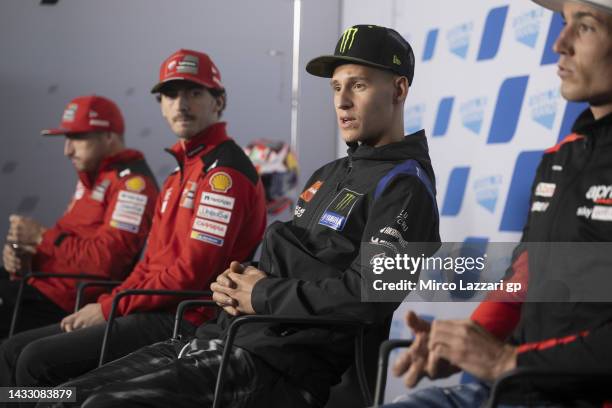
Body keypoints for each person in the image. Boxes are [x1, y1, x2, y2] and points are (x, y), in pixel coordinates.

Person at [44, 25, 441, 408]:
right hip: (222, 336)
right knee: (57, 396)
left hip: (278, 368)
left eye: (358, 84)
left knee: (99, 403)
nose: (342, 102)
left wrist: (261, 293)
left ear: (399, 89)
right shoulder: (329, 174)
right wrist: (235, 283)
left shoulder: (407, 186)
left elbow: (368, 296)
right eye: (336, 87)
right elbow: (283, 263)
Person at [385, 0, 612, 406]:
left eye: (587, 26)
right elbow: (524, 276)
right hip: (514, 388)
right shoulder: (562, 156)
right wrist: (470, 347)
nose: (559, 43)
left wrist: (507, 361)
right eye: (564, 23)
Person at [0, 49, 267, 390]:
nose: (181, 104)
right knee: (13, 352)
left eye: (194, 92)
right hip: (149, 309)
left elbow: (191, 274)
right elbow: (150, 263)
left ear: (219, 101)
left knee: (33, 361)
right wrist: (107, 305)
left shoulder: (224, 173)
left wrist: (110, 306)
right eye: (171, 94)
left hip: (184, 319)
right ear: (160, 105)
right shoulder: (180, 171)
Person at [0, 95, 158, 338]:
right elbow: (68, 245)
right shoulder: (91, 177)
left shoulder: (133, 185)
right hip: (36, 286)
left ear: (109, 136)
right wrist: (23, 256)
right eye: (66, 137)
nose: (67, 150)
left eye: (77, 137)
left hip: (63, 305)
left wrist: (42, 236)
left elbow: (105, 264)